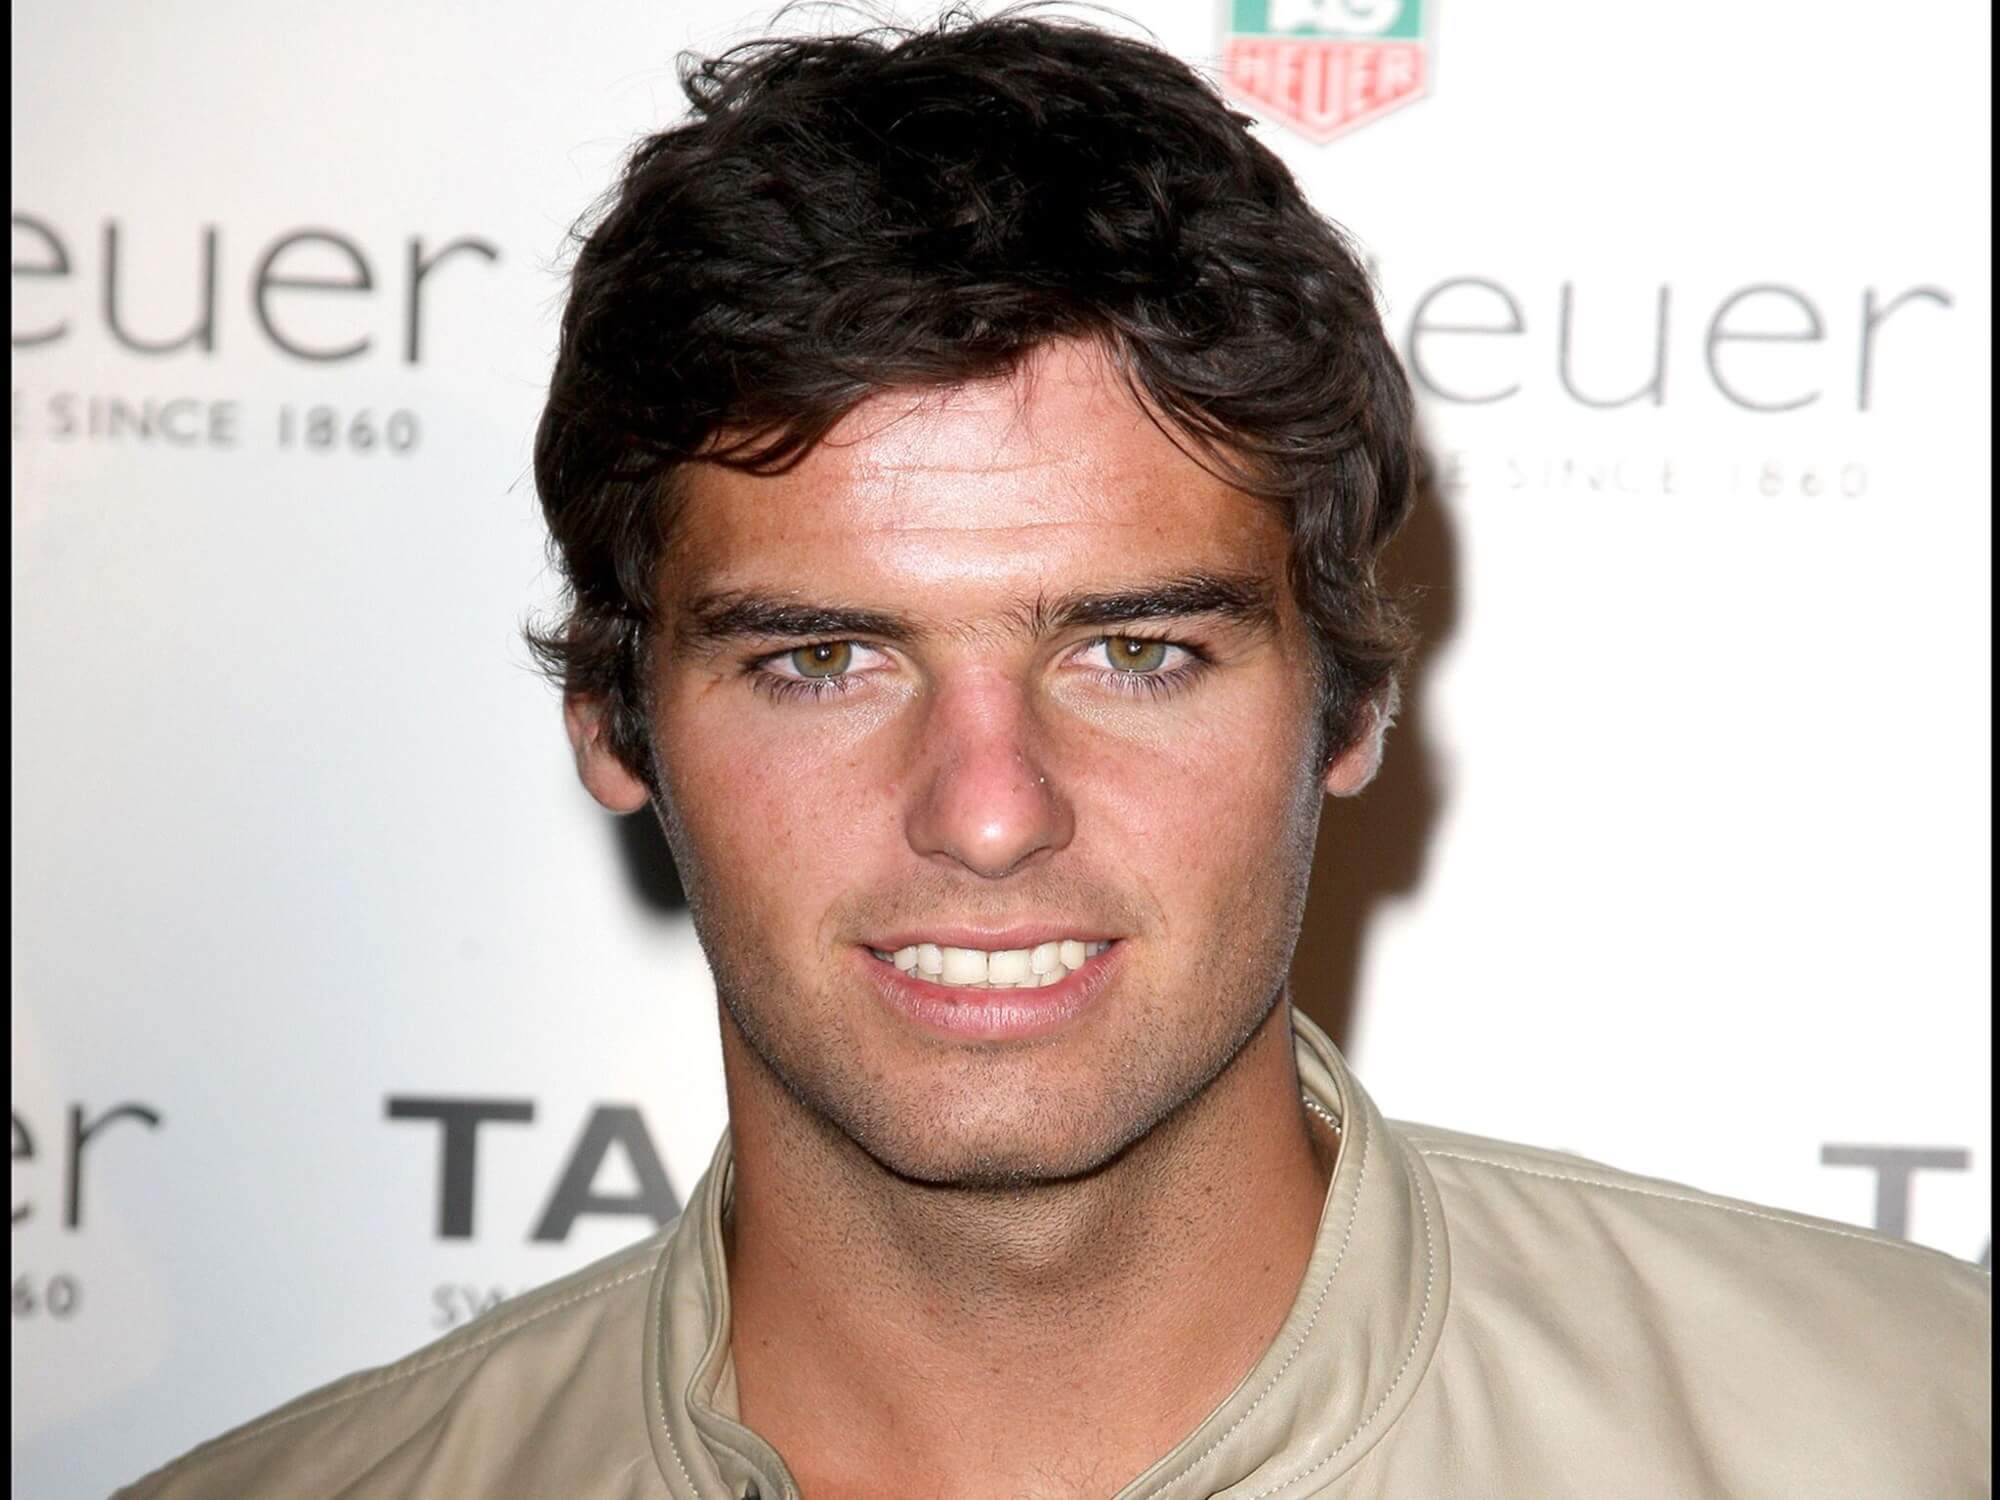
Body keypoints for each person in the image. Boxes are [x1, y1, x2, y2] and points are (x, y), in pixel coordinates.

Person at [118, 12, 1988, 1499]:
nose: (991, 811)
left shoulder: (1913, 1437)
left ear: (1345, 709)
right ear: (614, 721)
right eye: (826, 658)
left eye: (1137, 649)